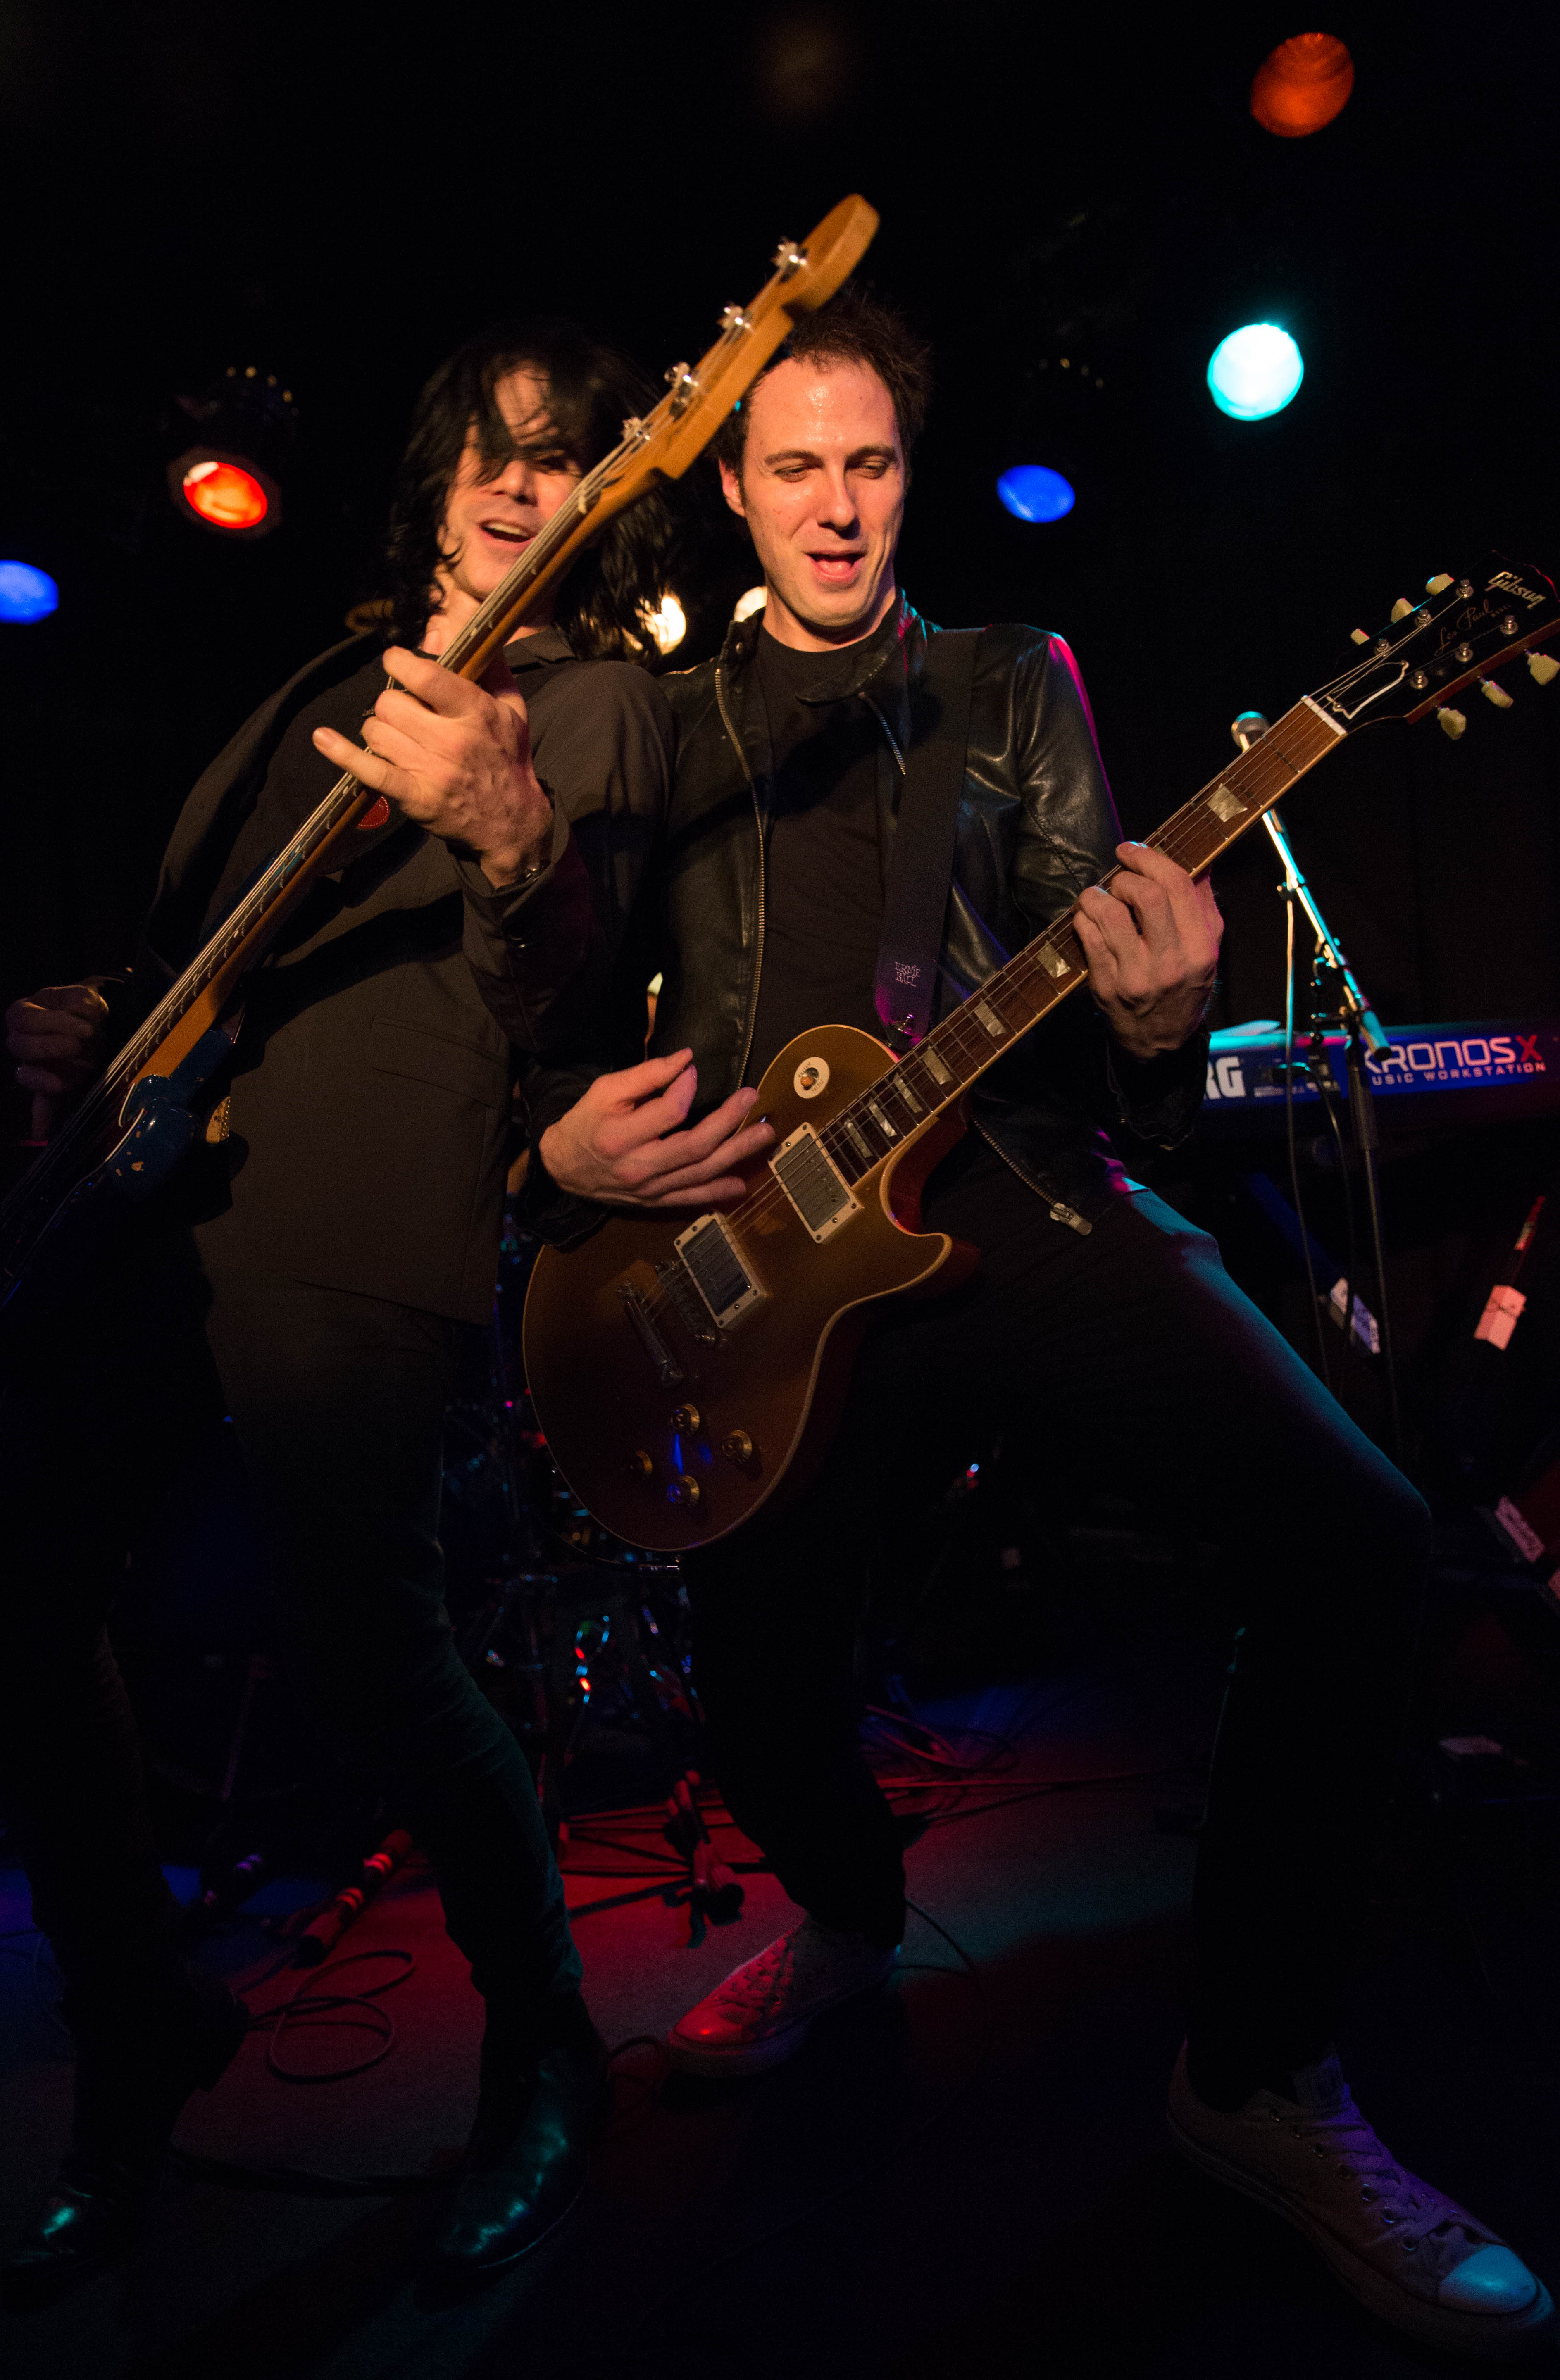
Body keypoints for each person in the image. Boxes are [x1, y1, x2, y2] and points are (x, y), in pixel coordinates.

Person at [515, 291, 1555, 2361]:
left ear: (912, 477)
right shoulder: (659, 724)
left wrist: (1161, 1018)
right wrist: (561, 1148)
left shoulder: (1007, 680)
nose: (837, 506)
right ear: (737, 493)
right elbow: (549, 996)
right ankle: (850, 1914)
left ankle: (1255, 2078)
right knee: (760, 1691)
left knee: (1352, 1534)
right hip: (740, 1252)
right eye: (795, 467)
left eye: (872, 463)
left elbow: (1110, 995)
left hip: (1001, 1189)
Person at [1, 319, 674, 2294]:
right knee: (20, 1592)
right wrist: (88, 1023)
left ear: (614, 491)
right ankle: (140, 2023)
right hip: (155, 1188)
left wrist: (513, 831)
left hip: (366, 1185)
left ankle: (543, 2044)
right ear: (436, 482)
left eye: (560, 452)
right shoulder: (322, 683)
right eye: (488, 446)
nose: (518, 477)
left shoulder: (601, 703)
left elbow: (569, 972)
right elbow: (196, 944)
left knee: (376, 1654)